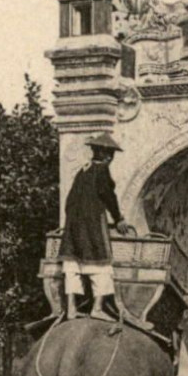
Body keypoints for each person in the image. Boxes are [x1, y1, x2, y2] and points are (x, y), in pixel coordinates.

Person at [56, 132, 135, 320]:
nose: (111, 158)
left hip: (74, 224)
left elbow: (69, 201)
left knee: (72, 265)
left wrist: (74, 220)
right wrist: (118, 219)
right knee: (101, 263)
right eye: (110, 155)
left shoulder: (83, 170)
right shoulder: (102, 170)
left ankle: (72, 309)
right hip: (91, 224)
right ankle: (97, 309)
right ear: (107, 155)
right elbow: (108, 196)